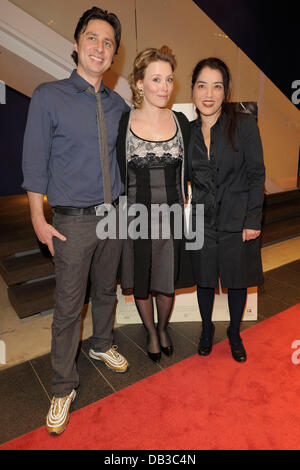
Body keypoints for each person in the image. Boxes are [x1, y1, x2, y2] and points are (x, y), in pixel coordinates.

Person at [22, 6, 130, 435]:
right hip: (71, 221)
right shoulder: (49, 96)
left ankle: (102, 344)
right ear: (76, 44)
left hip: (114, 217)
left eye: (108, 42)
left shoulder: (118, 103)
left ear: (113, 54)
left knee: (106, 289)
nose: (99, 47)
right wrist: (37, 218)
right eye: (92, 38)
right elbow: (34, 162)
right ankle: (63, 385)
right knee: (69, 307)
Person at [116, 46, 194, 362]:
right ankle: (150, 332)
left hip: (173, 217)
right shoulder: (123, 123)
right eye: (156, 79)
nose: (163, 87)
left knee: (166, 282)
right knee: (143, 283)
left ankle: (163, 328)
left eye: (169, 79)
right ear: (139, 84)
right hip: (136, 218)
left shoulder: (181, 123)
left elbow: (193, 173)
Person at [188, 57, 265, 362]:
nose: (209, 93)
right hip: (200, 220)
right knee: (204, 279)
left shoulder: (243, 125)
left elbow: (257, 174)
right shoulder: (187, 131)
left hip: (237, 219)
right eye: (202, 85)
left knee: (236, 279)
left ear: (226, 91)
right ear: (193, 90)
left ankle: (234, 332)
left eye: (216, 86)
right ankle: (207, 329)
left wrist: (252, 217)